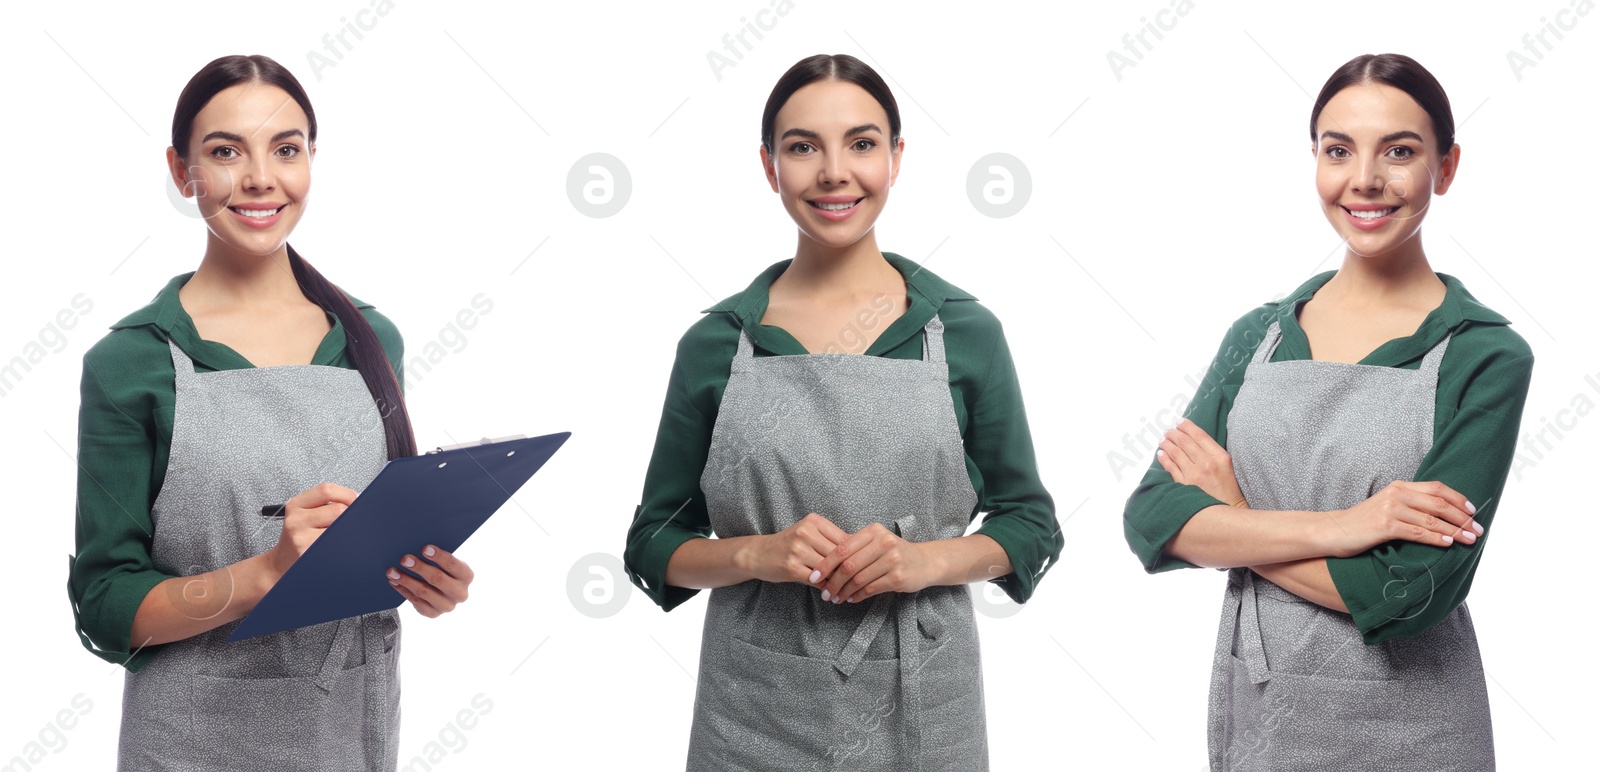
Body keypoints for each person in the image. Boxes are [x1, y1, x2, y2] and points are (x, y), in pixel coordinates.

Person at [622, 53, 1061, 771]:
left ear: (896, 158)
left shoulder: (963, 332)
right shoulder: (716, 344)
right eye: (803, 147)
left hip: (927, 707)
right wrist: (755, 553)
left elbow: (1030, 523)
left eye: (861, 143)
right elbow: (652, 543)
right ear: (769, 167)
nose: (834, 172)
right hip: (752, 712)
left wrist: (925, 562)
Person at [1122, 53, 1533, 770]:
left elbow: (1407, 593)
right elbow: (1153, 520)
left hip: (1416, 730)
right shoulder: (1260, 337)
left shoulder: (1486, 356)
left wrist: (1236, 516)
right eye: (1338, 150)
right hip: (1262, 717)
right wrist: (1351, 526)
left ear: (1446, 167)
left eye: (1399, 151)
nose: (1364, 180)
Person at [66, 54, 474, 771]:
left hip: (351, 732)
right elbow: (104, 604)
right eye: (226, 151)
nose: (260, 178)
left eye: (285, 149)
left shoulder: (372, 341)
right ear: (181, 168)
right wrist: (264, 574)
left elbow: (381, 538)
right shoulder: (132, 362)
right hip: (192, 743)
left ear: (311, 160)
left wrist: (428, 578)